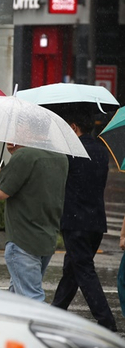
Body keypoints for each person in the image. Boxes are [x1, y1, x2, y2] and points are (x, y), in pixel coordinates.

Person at [50, 110, 117, 331]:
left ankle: (106, 321)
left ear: (73, 127)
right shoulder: (101, 150)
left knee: (84, 271)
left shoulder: (71, 152)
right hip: (96, 221)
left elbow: (60, 181)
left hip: (75, 221)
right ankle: (55, 312)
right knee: (73, 269)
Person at [0, 143, 68, 301]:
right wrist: (16, 153)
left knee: (31, 299)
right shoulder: (60, 156)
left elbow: (2, 192)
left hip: (22, 238)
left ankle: (41, 326)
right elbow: (34, 182)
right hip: (46, 235)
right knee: (16, 297)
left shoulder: (25, 155)